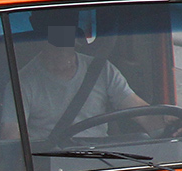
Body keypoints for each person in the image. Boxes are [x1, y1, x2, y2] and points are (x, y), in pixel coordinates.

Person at [16, 15, 152, 143]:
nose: (61, 41)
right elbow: (13, 138)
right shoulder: (22, 82)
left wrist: (163, 127)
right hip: (51, 158)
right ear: (39, 33)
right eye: (53, 31)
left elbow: (143, 114)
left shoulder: (102, 70)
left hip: (103, 157)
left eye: (67, 26)